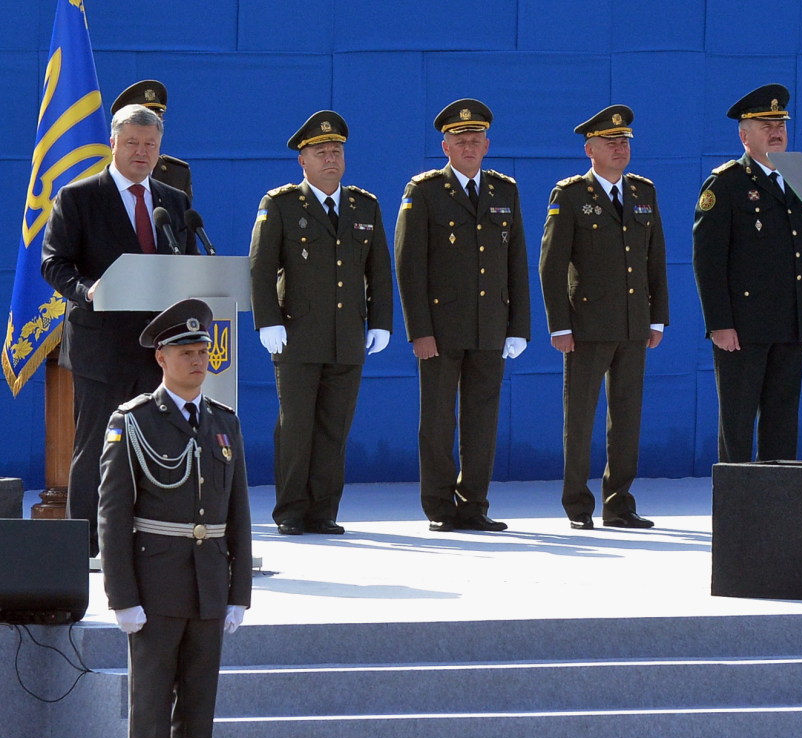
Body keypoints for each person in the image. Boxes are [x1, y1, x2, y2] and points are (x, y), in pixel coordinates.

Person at [98, 298, 251, 738]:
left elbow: (238, 514)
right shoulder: (131, 421)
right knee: (151, 706)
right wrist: (121, 596)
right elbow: (113, 515)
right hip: (155, 589)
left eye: (204, 351)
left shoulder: (223, 422)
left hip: (208, 588)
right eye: (187, 352)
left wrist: (239, 593)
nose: (199, 361)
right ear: (161, 357)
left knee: (198, 709)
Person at [41, 104, 196, 554]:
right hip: (101, 346)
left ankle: (154, 536)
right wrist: (87, 290)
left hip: (160, 346)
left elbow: (187, 267)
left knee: (160, 443)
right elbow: (54, 262)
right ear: (113, 143)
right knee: (97, 447)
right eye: (132, 143)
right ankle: (87, 543)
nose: (142, 152)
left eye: (150, 145)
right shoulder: (79, 196)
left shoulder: (175, 201)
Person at [249, 110, 393, 536]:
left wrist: (380, 321)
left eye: (336, 151)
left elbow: (379, 270)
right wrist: (267, 322)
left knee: (334, 428)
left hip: (347, 335)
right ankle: (292, 509)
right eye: (321, 152)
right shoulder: (280, 205)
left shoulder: (364, 205)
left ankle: (324, 509)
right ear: (303, 160)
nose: (330, 158)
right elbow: (261, 268)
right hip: (297, 334)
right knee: (296, 426)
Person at [395, 99, 530, 533]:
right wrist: (419, 330)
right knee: (437, 420)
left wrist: (519, 327)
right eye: (460, 140)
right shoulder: (426, 190)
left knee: (482, 421)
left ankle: (475, 504)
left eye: (476, 140)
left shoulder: (504, 190)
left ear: (487, 145)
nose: (469, 147)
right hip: (441, 328)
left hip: (490, 325)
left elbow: (516, 261)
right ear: (445, 146)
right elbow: (409, 265)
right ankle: (439, 505)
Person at [539, 104, 668, 530]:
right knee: (579, 418)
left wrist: (657, 318)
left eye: (624, 141)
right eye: (610, 142)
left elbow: (655, 260)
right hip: (586, 326)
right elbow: (551, 265)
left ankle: (619, 502)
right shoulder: (571, 194)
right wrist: (559, 324)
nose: (620, 148)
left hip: (633, 323)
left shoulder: (642, 192)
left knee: (627, 416)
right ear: (589, 149)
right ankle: (578, 505)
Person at [692, 83, 802, 463]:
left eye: (780, 122)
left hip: (790, 320)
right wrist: (719, 322)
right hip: (744, 325)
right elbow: (708, 260)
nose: (776, 130)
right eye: (765, 124)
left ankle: (779, 506)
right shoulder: (727, 183)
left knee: (783, 420)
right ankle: (737, 511)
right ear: (744, 134)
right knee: (737, 420)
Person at [110, 80, 192, 197]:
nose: (148, 127)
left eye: (156, 120)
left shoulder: (177, 174)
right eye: (138, 120)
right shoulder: (101, 174)